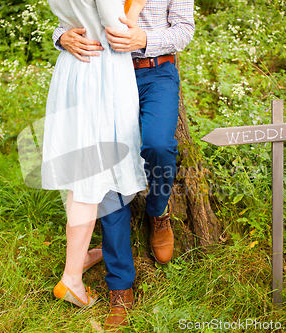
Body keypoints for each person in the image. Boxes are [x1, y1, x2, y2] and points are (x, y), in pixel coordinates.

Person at [53, 0, 195, 329]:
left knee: (159, 145)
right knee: (107, 173)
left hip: (155, 73)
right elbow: (73, 14)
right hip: (104, 75)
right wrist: (62, 37)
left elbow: (185, 30)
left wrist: (144, 40)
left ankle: (158, 212)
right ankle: (120, 285)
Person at [43, 0, 148, 309]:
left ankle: (78, 258)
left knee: (82, 173)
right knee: (90, 177)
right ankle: (71, 279)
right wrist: (137, 5)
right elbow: (118, 31)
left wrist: (63, 35)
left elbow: (71, 16)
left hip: (75, 69)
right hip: (101, 73)